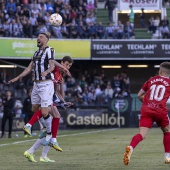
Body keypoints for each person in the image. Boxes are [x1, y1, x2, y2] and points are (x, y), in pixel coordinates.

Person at [8, 32, 70, 144]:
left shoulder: (49, 50)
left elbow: (51, 65)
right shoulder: (36, 53)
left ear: (46, 40)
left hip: (46, 84)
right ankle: (47, 130)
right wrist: (17, 77)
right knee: (35, 109)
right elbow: (28, 69)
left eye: (41, 37)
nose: (38, 38)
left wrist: (47, 71)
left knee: (45, 111)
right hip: (36, 84)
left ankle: (43, 130)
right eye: (37, 37)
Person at [24, 56, 74, 162]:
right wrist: (62, 68)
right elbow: (53, 61)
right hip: (41, 96)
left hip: (48, 98)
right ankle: (29, 125)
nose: (67, 67)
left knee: (49, 130)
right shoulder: (54, 67)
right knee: (53, 121)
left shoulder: (60, 76)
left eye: (69, 66)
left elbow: (57, 93)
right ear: (62, 62)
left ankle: (36, 154)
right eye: (66, 64)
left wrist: (63, 98)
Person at [123, 61, 170, 165]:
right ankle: (167, 156)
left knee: (141, 135)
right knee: (167, 131)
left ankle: (130, 147)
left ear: (160, 71)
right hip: (160, 111)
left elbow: (140, 95)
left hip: (146, 110)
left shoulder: (151, 80)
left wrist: (149, 103)